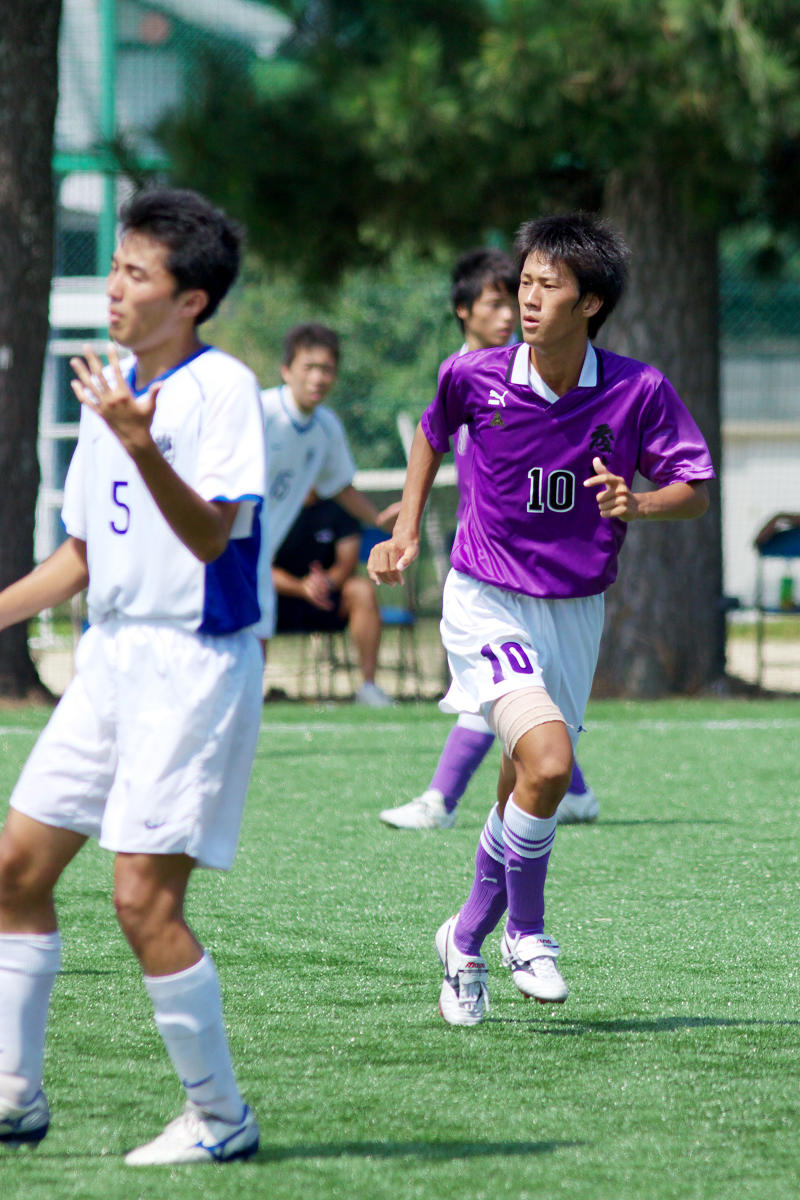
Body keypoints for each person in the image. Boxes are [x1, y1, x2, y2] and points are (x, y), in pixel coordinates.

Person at [368, 213, 714, 1026]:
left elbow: (693, 490)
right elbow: (430, 433)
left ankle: (463, 940)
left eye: (546, 285)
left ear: (590, 303)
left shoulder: (637, 389)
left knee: (527, 782)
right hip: (484, 596)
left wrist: (641, 501)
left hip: (575, 610)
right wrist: (408, 528)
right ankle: (528, 929)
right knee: (550, 764)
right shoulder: (477, 376)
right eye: (523, 281)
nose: (526, 297)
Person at [0, 188, 266, 1162]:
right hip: (109, 662)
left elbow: (207, 536)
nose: (114, 287)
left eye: (136, 273)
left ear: (190, 299)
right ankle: (14, 1094)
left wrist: (139, 438)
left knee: (142, 900)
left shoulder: (220, 391)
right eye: (115, 267)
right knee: (15, 871)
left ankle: (220, 1117)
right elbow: (80, 557)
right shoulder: (108, 385)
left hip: (193, 669)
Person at [379, 247, 598, 829]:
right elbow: (437, 441)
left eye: (529, 291)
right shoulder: (465, 375)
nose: (515, 309)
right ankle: (452, 800)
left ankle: (554, 789)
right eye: (500, 300)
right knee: (500, 682)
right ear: (462, 311)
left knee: (511, 693)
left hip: (544, 567)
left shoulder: (559, 370)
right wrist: (409, 513)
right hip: (488, 561)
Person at [255, 323, 397, 707]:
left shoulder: (326, 428)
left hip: (258, 560)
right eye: (309, 366)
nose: (318, 377)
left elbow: (339, 486)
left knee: (251, 654)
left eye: (327, 368)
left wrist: (379, 519)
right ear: (287, 370)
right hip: (223, 549)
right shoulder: (260, 412)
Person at [272, 490, 385, 696]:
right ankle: (249, 692)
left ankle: (369, 687)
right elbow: (261, 568)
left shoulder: (341, 506)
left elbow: (346, 563)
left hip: (328, 599)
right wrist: (300, 587)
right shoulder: (272, 506)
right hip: (278, 602)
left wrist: (323, 583)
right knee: (249, 593)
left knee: (361, 590)